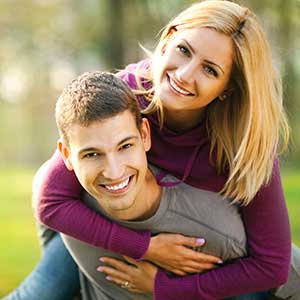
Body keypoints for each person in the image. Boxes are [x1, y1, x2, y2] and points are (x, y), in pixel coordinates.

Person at [4, 0, 295, 299]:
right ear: (167, 39)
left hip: (215, 251)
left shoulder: (243, 138)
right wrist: (146, 248)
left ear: (227, 89)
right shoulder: (123, 98)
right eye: (184, 50)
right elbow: (51, 200)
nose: (183, 74)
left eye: (209, 70)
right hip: (118, 224)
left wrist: (166, 289)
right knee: (44, 284)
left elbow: (272, 264)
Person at [52, 70, 250, 299]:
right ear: (66, 155)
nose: (114, 172)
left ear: (145, 135)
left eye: (125, 146)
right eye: (92, 154)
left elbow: (281, 272)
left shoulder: (220, 234)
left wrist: (165, 288)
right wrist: (144, 248)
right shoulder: (66, 210)